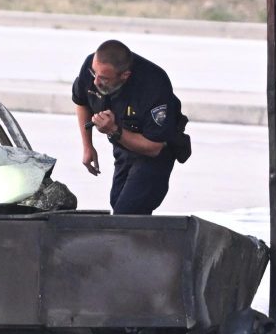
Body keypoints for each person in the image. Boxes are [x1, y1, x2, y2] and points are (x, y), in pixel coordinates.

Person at [72, 39, 190, 214]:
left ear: (124, 75)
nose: (96, 81)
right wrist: (88, 146)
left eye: (104, 78)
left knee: (128, 212)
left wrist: (113, 130)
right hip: (123, 147)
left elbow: (154, 148)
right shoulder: (92, 67)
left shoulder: (154, 84)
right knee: (117, 202)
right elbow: (81, 101)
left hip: (154, 155)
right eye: (94, 73)